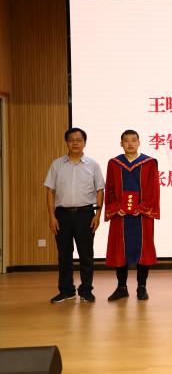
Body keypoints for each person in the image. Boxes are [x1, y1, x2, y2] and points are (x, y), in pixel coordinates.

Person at [45, 128, 105, 303]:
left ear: (84, 142)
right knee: (64, 255)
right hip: (62, 215)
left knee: (86, 255)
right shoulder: (57, 164)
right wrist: (52, 217)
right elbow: (50, 191)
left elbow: (100, 190)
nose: (75, 143)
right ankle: (66, 290)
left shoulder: (93, 165)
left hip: (85, 214)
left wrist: (97, 215)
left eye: (79, 139)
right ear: (67, 142)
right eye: (72, 140)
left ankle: (86, 290)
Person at [105, 130, 160, 301]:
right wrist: (116, 207)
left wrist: (142, 207)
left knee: (143, 251)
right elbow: (110, 189)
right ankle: (121, 287)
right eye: (126, 140)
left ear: (139, 142)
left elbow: (153, 190)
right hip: (120, 215)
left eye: (133, 140)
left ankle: (141, 287)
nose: (130, 143)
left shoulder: (149, 163)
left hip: (142, 215)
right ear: (121, 143)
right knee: (119, 251)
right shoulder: (114, 163)